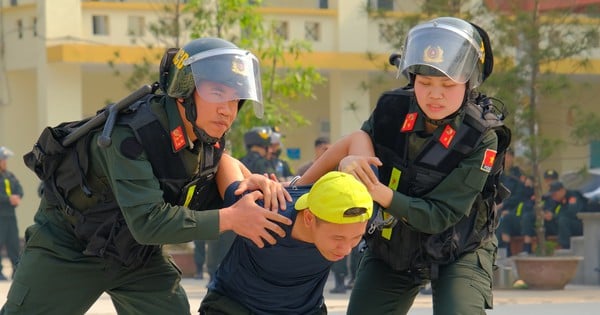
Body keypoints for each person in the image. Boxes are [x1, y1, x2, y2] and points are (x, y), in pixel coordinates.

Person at [1, 37, 294, 315]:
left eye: (234, 99)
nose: (227, 110)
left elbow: (198, 192)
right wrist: (231, 218)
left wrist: (246, 181)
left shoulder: (207, 140)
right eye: (217, 93)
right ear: (184, 92)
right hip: (68, 247)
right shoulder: (130, 136)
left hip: (136, 255)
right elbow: (148, 222)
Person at [297, 17, 510, 314]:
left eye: (447, 84)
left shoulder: (481, 137)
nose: (435, 94)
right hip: (394, 244)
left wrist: (380, 193)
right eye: (424, 83)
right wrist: (342, 167)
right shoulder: (391, 111)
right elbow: (356, 144)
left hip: (460, 245)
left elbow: (441, 215)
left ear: (468, 83)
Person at [199, 171, 373, 314]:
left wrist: (351, 158)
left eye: (356, 238)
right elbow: (224, 159)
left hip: (306, 310)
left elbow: (356, 137)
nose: (346, 249)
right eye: (338, 238)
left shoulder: (352, 216)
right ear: (309, 218)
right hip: (237, 306)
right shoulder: (264, 215)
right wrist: (252, 177)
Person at [0, 146, 23, 281]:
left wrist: (17, 196)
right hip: (0, 216)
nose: (5, 162)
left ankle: (16, 270)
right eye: (3, 160)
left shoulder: (10, 175)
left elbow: (19, 189)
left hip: (10, 216)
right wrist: (8, 199)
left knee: (13, 243)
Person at [543, 181, 585, 249]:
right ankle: (544, 246)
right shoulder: (557, 200)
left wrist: (553, 216)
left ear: (562, 190)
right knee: (545, 221)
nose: (553, 197)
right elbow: (551, 210)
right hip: (565, 225)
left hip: (580, 224)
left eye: (554, 194)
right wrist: (547, 214)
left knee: (563, 220)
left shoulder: (573, 196)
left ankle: (566, 247)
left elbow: (572, 213)